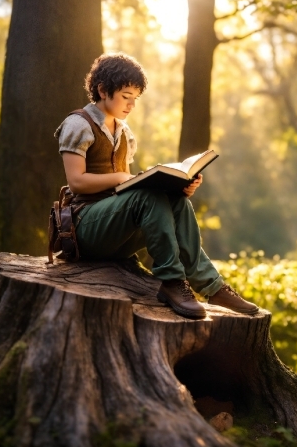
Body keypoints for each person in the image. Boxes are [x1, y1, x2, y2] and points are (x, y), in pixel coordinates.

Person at [54, 52, 259, 319]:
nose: (131, 105)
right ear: (103, 90)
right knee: (145, 198)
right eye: (126, 96)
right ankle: (173, 282)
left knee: (176, 200)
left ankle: (212, 286)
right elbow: (77, 182)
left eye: (135, 99)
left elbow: (124, 192)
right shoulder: (78, 124)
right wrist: (119, 178)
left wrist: (178, 187)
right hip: (85, 229)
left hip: (117, 233)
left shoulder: (124, 132)